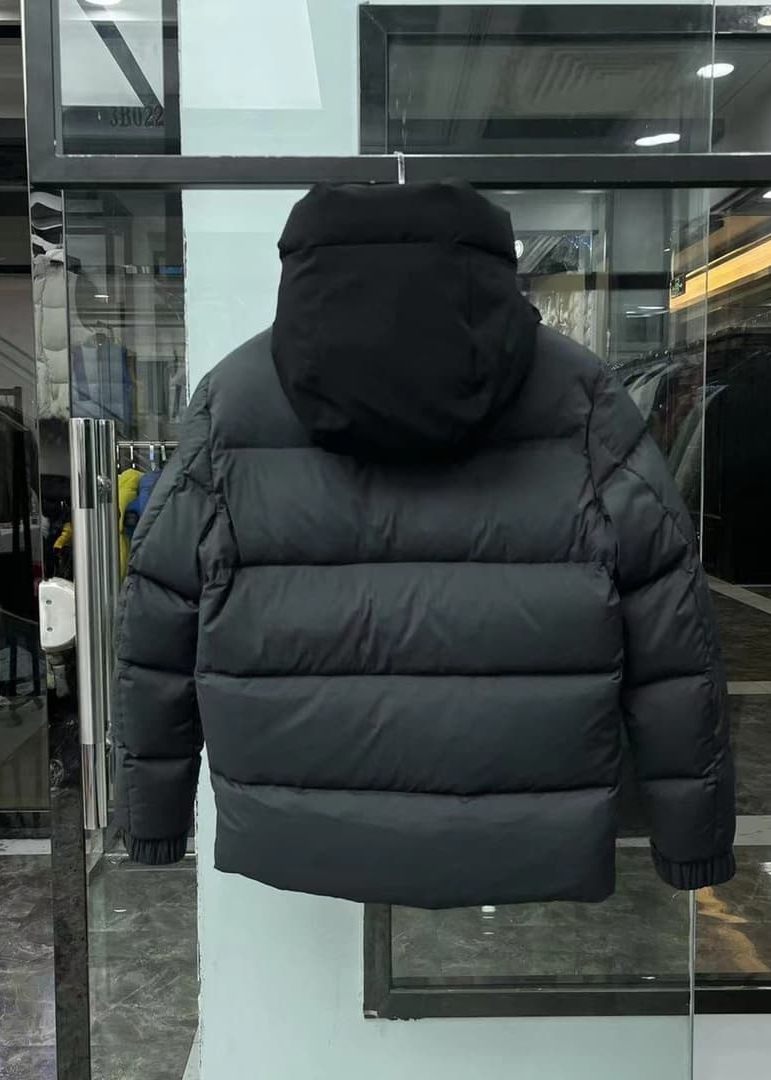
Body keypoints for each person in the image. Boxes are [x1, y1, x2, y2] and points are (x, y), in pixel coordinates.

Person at [111, 180, 735, 909]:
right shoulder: (581, 395)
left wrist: (154, 820)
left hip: (295, 823)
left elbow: (158, 614)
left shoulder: (233, 399)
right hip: (523, 828)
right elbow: (670, 628)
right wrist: (691, 839)